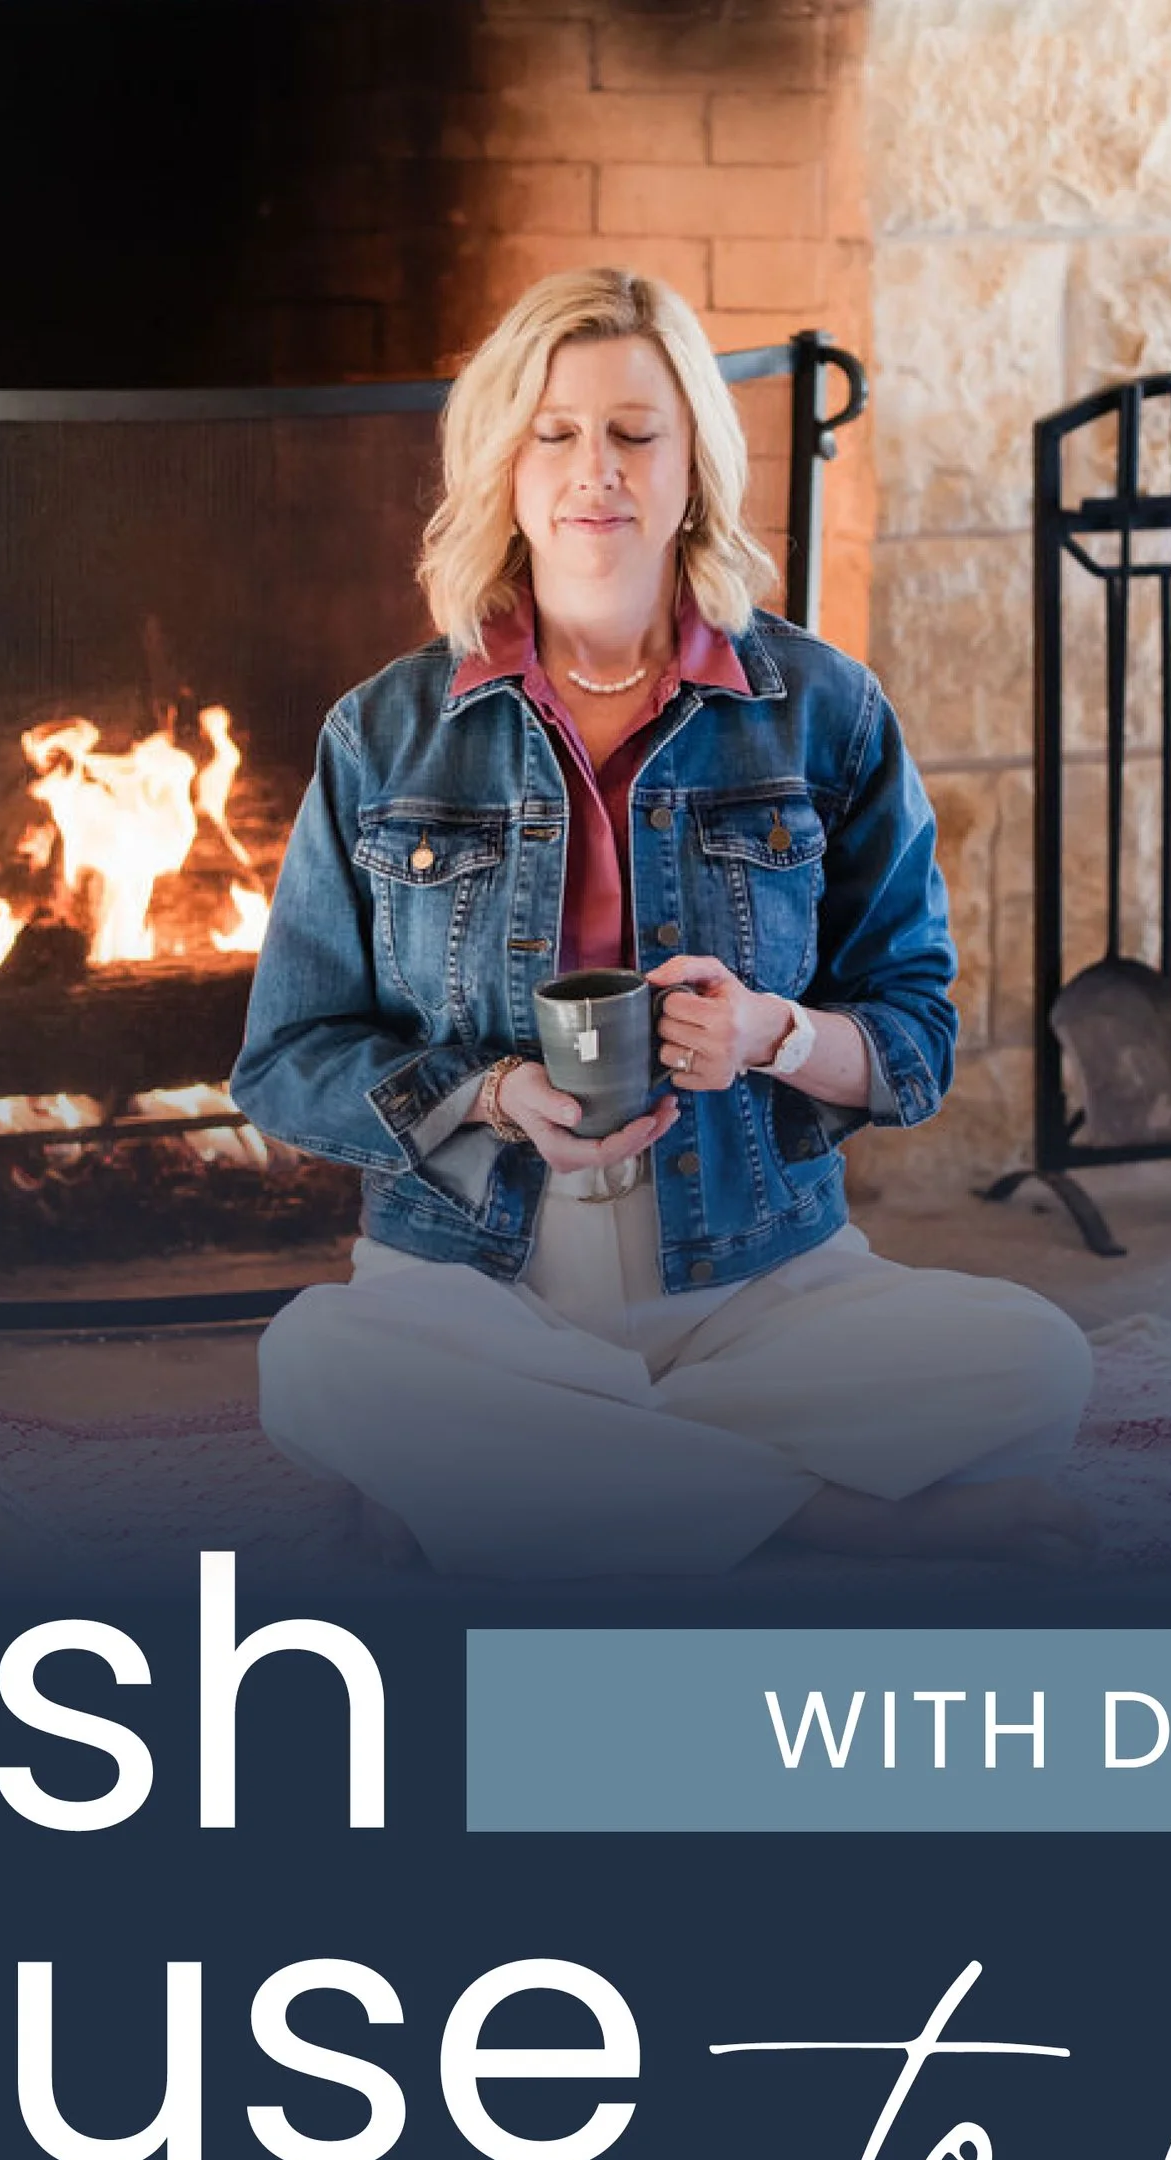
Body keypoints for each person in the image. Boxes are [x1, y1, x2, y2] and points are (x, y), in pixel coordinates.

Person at [231, 266, 1097, 1577]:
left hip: (762, 1290)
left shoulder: (827, 709)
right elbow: (285, 1064)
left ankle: (540, 1490)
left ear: (695, 462)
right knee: (314, 1362)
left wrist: (773, 1034)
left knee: (1039, 1359)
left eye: (638, 434)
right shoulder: (384, 731)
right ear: (505, 470)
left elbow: (914, 1039)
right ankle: (818, 1522)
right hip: (475, 1290)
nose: (599, 472)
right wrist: (490, 1093)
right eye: (557, 433)